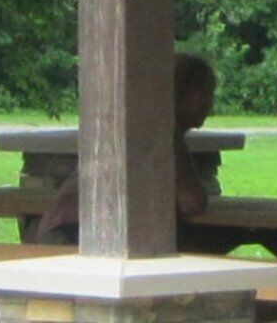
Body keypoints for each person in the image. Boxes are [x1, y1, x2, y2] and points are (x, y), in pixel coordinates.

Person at [30, 53, 220, 245]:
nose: (210, 105)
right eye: (208, 94)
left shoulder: (134, 124)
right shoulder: (158, 133)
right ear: (193, 96)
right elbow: (191, 201)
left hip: (69, 227)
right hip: (81, 234)